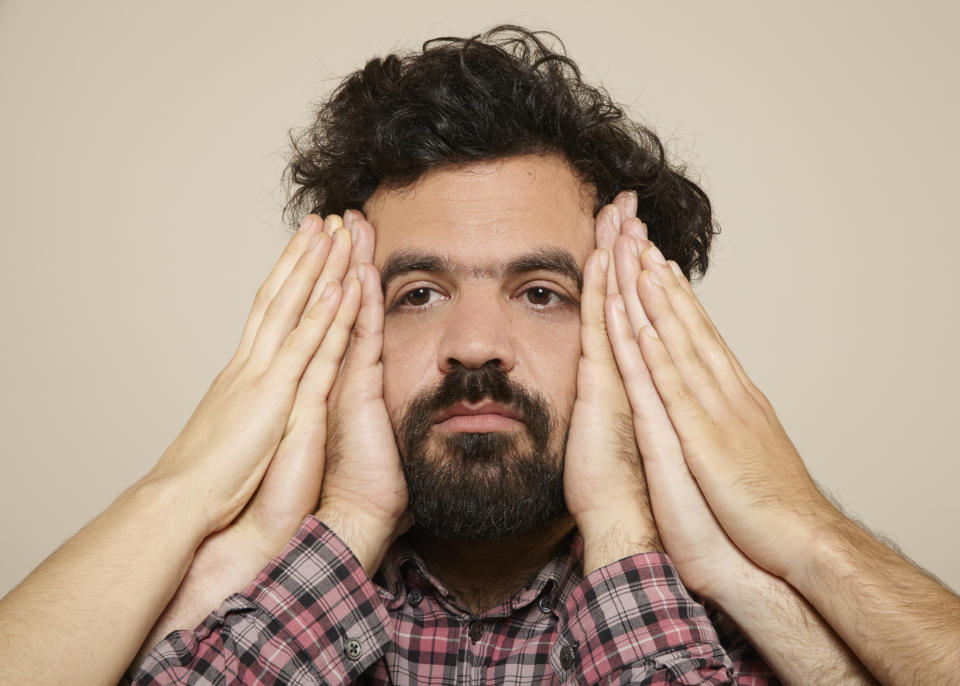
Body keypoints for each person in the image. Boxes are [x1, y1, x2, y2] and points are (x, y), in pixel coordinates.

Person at [0, 25, 957, 686]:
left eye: (542, 294)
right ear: (341, 328)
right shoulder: (197, 611)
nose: (473, 348)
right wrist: (303, 511)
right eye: (418, 295)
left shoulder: (755, 630)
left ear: (638, 332)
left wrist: (771, 531)